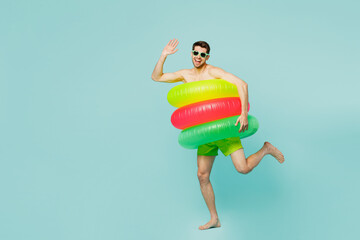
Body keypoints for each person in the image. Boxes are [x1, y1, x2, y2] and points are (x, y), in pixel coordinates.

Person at [151, 39, 285, 230]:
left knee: (243, 168)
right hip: (204, 133)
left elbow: (242, 84)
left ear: (207, 57)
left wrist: (243, 113)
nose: (198, 57)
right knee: (202, 176)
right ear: (191, 53)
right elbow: (156, 77)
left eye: (202, 55)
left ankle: (266, 149)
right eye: (195, 53)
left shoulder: (213, 72)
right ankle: (214, 219)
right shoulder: (185, 75)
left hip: (223, 130)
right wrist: (163, 55)